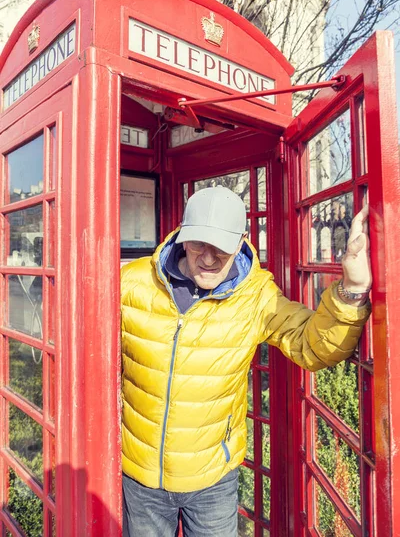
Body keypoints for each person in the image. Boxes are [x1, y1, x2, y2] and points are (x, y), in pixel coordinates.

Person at [121, 186, 371, 537]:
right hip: (140, 476)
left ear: (240, 241)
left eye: (221, 247)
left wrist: (353, 287)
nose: (208, 258)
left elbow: (314, 346)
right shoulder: (131, 284)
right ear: (181, 235)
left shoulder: (256, 297)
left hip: (212, 479)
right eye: (198, 244)